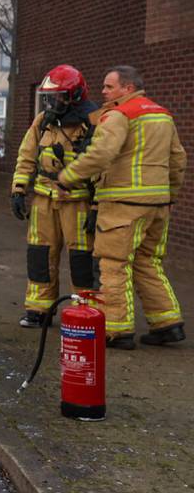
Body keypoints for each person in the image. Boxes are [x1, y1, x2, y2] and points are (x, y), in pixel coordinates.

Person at [58, 65, 186, 349]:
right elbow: (178, 160)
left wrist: (68, 176)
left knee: (113, 265)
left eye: (109, 86)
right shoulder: (162, 115)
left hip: (122, 205)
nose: (103, 91)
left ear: (127, 88)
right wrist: (170, 196)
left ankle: (116, 330)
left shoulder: (119, 115)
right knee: (148, 263)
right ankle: (168, 324)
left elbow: (101, 153)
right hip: (158, 205)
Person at [10, 65, 100, 328]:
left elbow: (100, 167)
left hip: (78, 202)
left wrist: (96, 207)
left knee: (81, 258)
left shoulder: (92, 122)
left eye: (58, 96)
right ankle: (39, 309)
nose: (52, 102)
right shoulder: (44, 121)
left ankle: (84, 310)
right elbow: (26, 156)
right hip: (43, 200)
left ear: (74, 96)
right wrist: (18, 190)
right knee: (40, 254)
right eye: (50, 96)